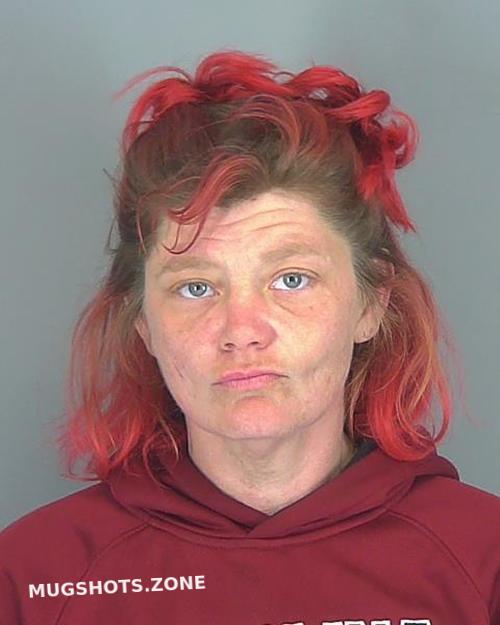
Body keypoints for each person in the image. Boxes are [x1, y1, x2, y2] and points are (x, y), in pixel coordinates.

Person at [0, 49, 498, 625]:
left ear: (370, 303)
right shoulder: (35, 574)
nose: (242, 331)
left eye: (291, 279)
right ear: (144, 323)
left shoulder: (483, 559)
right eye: (195, 288)